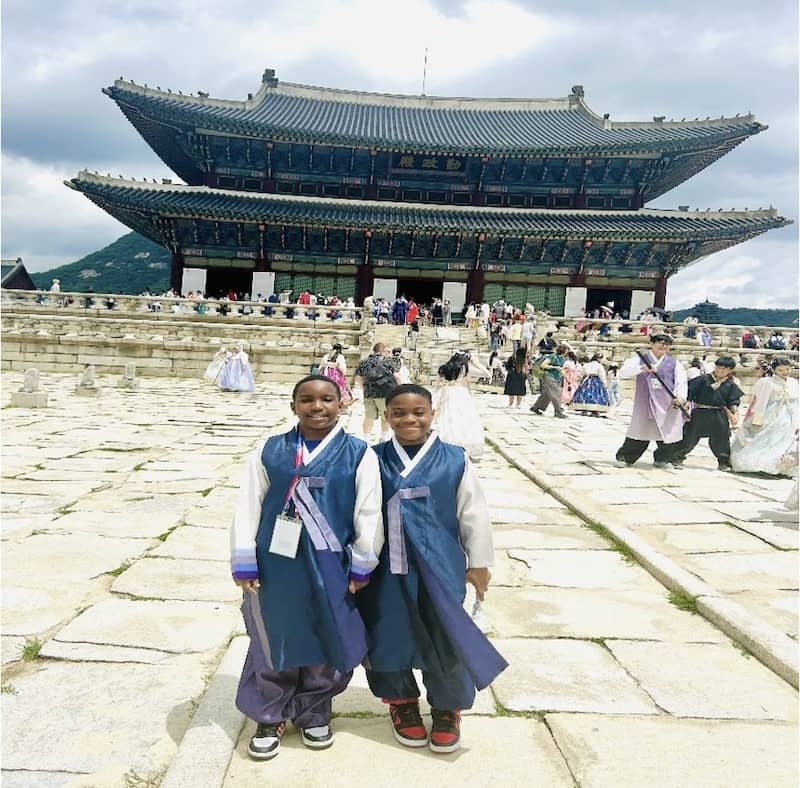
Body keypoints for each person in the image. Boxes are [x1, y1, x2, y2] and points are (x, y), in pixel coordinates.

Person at [230, 375, 384, 760]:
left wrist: (363, 563)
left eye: (327, 399)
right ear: (293, 405)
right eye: (307, 400)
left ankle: (315, 708)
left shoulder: (358, 453)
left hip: (332, 563)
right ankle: (270, 710)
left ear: (342, 403)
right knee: (273, 635)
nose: (317, 407)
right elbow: (248, 504)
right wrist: (244, 558)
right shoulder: (270, 451)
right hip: (275, 564)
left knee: (325, 631)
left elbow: (369, 511)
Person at [357, 384, 507, 754]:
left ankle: (447, 707)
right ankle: (401, 702)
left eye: (418, 412)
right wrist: (359, 563)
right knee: (387, 631)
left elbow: (473, 513)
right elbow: (359, 513)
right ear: (387, 416)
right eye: (400, 413)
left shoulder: (454, 459)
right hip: (385, 570)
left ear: (432, 414)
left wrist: (479, 562)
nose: (409, 419)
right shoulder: (372, 458)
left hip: (441, 565)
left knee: (446, 633)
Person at [615, 334, 688, 467]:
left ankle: (663, 459)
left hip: (667, 403)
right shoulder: (639, 359)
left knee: (668, 432)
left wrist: (680, 397)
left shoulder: (674, 363)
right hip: (645, 402)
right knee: (640, 430)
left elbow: (681, 382)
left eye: (667, 344)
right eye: (660, 342)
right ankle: (626, 457)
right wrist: (641, 369)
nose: (663, 346)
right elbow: (623, 373)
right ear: (652, 344)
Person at [671, 357, 744, 471]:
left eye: (724, 369)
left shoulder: (731, 384)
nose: (720, 371)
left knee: (721, 439)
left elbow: (733, 401)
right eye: (718, 367)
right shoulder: (703, 379)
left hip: (719, 414)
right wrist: (686, 403)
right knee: (689, 436)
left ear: (730, 370)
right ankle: (677, 458)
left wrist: (734, 413)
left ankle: (723, 462)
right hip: (700, 412)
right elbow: (690, 392)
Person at [731, 358, 799, 476]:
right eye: (781, 370)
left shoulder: (793, 382)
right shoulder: (767, 382)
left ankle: (781, 467)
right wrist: (758, 419)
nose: (785, 372)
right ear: (774, 370)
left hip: (789, 415)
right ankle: (761, 464)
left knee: (786, 441)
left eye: (787, 369)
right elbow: (761, 402)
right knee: (768, 439)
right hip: (772, 414)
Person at [433, 352, 484, 460]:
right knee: (462, 420)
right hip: (460, 394)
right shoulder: (464, 369)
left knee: (446, 419)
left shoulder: (443, 368)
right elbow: (487, 374)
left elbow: (438, 384)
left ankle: (445, 444)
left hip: (445, 392)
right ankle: (462, 445)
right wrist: (477, 363)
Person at [354, 343, 399, 441]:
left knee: (369, 417)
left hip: (369, 393)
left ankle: (366, 439)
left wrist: (364, 388)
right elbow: (396, 376)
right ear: (382, 351)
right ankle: (383, 437)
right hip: (385, 393)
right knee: (385, 417)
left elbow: (358, 378)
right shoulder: (388, 361)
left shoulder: (363, 362)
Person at [530, 344, 568, 418]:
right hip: (549, 376)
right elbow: (543, 365)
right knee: (556, 393)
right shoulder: (552, 356)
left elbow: (561, 369)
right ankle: (558, 411)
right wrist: (554, 367)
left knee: (547, 394)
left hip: (557, 377)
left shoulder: (563, 358)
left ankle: (536, 407)